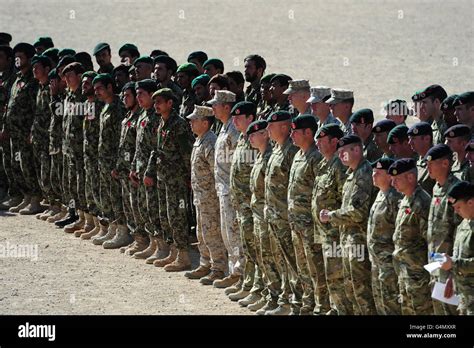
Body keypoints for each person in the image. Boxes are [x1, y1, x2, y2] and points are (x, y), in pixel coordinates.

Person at [320, 134, 377, 315]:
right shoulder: (352, 173)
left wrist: (331, 215)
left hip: (359, 241)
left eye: (344, 151)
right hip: (349, 240)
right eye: (340, 152)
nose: (341, 155)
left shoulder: (364, 173)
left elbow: (358, 212)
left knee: (362, 291)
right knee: (351, 289)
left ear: (357, 150)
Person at [146, 88, 194, 272]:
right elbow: (155, 150)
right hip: (163, 178)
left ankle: (183, 256)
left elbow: (186, 153)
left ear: (170, 103)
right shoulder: (161, 123)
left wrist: (189, 177)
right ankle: (173, 251)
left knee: (178, 216)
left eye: (159, 102)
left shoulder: (178, 125)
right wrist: (150, 172)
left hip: (177, 180)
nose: (156, 105)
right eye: (155, 102)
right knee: (166, 215)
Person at [288, 114, 329, 315]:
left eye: (296, 131)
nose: (292, 134)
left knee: (316, 269)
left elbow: (321, 193)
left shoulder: (316, 157)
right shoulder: (298, 155)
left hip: (311, 226)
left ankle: (321, 307)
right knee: (303, 268)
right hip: (297, 224)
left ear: (308, 133)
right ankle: (307, 304)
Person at [313, 124, 353, 315]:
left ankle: (343, 310)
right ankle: (335, 308)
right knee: (330, 276)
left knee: (338, 277)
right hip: (324, 233)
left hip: (335, 233)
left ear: (335, 142)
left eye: (321, 140)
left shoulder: (339, 166)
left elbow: (344, 200)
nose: (317, 144)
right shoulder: (324, 164)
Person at [184, 105, 227, 284]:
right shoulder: (199, 140)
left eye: (194, 120)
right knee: (202, 232)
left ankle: (218, 267)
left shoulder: (210, 141)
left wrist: (214, 195)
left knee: (212, 233)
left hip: (209, 197)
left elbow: (215, 170)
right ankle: (205, 263)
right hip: (200, 197)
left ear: (205, 122)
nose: (191, 123)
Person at [264, 110, 300, 315]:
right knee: (282, 261)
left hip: (287, 218)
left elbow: (293, 187)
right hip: (274, 216)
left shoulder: (291, 151)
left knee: (294, 265)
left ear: (285, 127)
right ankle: (286, 301)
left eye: (272, 125)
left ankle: (296, 304)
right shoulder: (277, 148)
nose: (268, 129)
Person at [208, 90, 244, 289]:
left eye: (216, 104)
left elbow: (239, 163)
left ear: (227, 107)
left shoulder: (234, 130)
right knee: (227, 233)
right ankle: (234, 271)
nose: (213, 107)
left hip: (232, 190)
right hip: (222, 189)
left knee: (235, 233)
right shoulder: (223, 127)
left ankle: (241, 275)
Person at [388, 158, 433, 315]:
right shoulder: (406, 200)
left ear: (411, 177)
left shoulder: (422, 202)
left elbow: (430, 241)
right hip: (405, 271)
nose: (393, 184)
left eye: (396, 179)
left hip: (419, 275)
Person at [228, 101, 261, 303]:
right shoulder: (242, 138)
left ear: (250, 118)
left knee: (255, 249)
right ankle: (248, 284)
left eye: (239, 117)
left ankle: (256, 289)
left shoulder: (254, 140)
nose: (235, 121)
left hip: (251, 205)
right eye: (233, 117)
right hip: (242, 205)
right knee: (246, 247)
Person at [4, 43, 42, 214]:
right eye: (16, 57)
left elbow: (37, 110)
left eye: (21, 57)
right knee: (16, 164)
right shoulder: (17, 79)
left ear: (29, 58)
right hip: (14, 132)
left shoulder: (33, 83)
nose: (18, 60)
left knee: (27, 165)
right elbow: (10, 105)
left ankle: (35, 199)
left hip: (26, 132)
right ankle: (25, 196)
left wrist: (32, 131)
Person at [91, 73, 128, 247]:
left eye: (99, 88)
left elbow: (121, 138)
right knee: (108, 196)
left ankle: (122, 231)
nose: (96, 91)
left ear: (110, 88)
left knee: (116, 196)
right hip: (104, 160)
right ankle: (112, 228)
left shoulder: (118, 107)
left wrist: (118, 163)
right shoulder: (104, 106)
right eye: (95, 88)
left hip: (114, 160)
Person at [425, 144, 461, 315]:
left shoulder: (457, 191)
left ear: (445, 164)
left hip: (450, 268)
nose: (427, 167)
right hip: (436, 264)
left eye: (431, 163)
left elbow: (461, 234)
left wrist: (454, 274)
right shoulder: (437, 188)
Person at [246, 119, 277, 313]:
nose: (250, 138)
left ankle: (275, 298)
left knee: (271, 258)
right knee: (262, 257)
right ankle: (268, 295)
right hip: (258, 215)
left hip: (268, 217)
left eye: (253, 134)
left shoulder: (269, 157)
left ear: (265, 134)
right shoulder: (260, 156)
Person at [367, 157, 402, 315]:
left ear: (389, 176)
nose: (373, 175)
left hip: (389, 264)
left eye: (378, 172)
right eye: (373, 172)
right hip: (377, 262)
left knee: (392, 305)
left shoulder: (395, 198)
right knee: (380, 303)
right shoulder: (380, 194)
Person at [441, 181, 474, 315]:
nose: (456, 211)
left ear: (471, 202)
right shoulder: (463, 225)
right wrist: (451, 277)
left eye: (458, 207)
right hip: (464, 299)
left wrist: (454, 263)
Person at [407, 122, 436, 195]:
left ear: (427, 139)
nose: (409, 143)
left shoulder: (436, 162)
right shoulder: (417, 160)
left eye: (413, 139)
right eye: (409, 139)